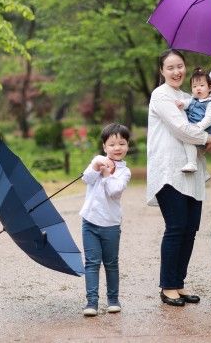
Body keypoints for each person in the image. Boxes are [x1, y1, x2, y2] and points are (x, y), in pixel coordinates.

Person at [147, 49, 211, 307]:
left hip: (192, 172)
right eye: (170, 67)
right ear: (162, 71)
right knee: (176, 228)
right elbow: (181, 128)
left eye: (180, 66)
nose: (176, 72)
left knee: (190, 230)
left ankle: (179, 283)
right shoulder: (161, 95)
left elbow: (204, 120)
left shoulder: (189, 97)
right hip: (170, 171)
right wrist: (208, 139)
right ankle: (167, 287)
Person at [79, 123, 132, 317]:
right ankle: (91, 301)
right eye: (112, 144)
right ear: (104, 147)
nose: (117, 148)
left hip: (110, 225)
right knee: (92, 263)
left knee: (111, 263)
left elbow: (114, 191)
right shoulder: (98, 160)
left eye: (122, 143)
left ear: (127, 146)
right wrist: (96, 167)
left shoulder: (124, 172)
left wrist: (108, 174)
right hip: (90, 222)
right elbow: (86, 179)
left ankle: (113, 300)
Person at [175, 67, 211, 173]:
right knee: (192, 147)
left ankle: (192, 163)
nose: (198, 88)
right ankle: (202, 171)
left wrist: (199, 126)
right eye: (194, 86)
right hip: (193, 128)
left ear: (210, 88)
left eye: (201, 85)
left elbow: (209, 118)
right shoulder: (193, 99)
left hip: (204, 131)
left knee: (188, 141)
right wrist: (182, 103)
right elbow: (187, 103)